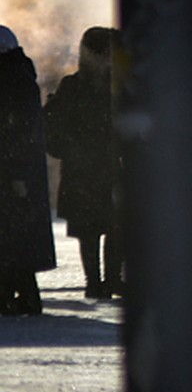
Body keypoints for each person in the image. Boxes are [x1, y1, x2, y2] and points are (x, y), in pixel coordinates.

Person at [44, 27, 121, 300]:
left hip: (83, 168)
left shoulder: (74, 86)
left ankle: (97, 281)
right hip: (111, 166)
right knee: (113, 227)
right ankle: (109, 280)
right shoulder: (119, 86)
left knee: (94, 229)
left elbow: (54, 124)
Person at [0, 26, 56, 316]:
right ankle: (20, 295)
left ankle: (16, 297)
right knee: (14, 238)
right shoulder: (19, 77)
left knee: (11, 238)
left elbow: (17, 131)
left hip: (12, 171)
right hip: (16, 170)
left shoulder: (12, 81)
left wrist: (16, 173)